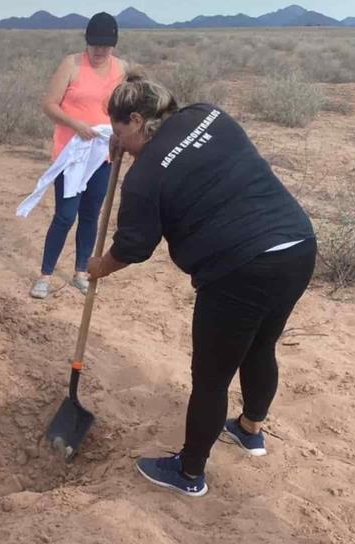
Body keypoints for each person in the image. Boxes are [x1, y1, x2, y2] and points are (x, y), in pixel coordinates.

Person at [87, 71, 316, 497]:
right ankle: (250, 430)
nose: (115, 141)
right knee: (261, 345)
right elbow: (191, 163)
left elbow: (135, 246)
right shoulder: (207, 114)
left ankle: (189, 473)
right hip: (297, 244)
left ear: (136, 120)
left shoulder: (143, 178)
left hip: (240, 270)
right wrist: (138, 154)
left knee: (210, 378)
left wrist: (100, 266)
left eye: (117, 131)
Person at [30, 12, 126, 299]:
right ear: (87, 42)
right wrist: (75, 125)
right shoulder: (71, 64)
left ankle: (81, 272)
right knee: (65, 215)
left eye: (105, 47)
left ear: (114, 45)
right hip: (70, 153)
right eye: (94, 45)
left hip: (102, 155)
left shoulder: (121, 68)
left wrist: (119, 137)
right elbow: (48, 104)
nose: (99, 52)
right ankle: (45, 276)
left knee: (91, 215)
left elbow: (122, 110)